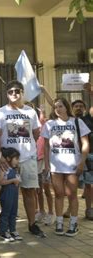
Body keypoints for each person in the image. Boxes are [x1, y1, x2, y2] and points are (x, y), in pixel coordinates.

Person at [0, 80, 46, 238]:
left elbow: (36, 134)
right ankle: (5, 226)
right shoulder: (0, 112)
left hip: (27, 158)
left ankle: (32, 224)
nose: (14, 94)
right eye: (10, 91)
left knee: (29, 192)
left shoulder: (30, 112)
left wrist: (26, 148)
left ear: (22, 93)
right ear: (7, 94)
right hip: (7, 161)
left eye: (17, 91)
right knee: (8, 193)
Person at [41, 98, 89, 237]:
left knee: (72, 194)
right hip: (56, 165)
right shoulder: (49, 124)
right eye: (55, 107)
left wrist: (82, 162)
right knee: (58, 194)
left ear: (66, 107)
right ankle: (60, 222)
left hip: (72, 164)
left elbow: (85, 143)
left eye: (60, 106)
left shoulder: (76, 122)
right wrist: (46, 165)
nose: (58, 109)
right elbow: (45, 146)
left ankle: (73, 224)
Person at [0, 147, 22, 242]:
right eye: (16, 159)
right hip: (6, 193)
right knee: (6, 211)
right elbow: (0, 181)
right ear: (8, 158)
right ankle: (3, 230)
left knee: (14, 212)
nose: (17, 161)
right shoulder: (3, 168)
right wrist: (12, 180)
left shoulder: (16, 168)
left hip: (14, 193)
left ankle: (13, 229)